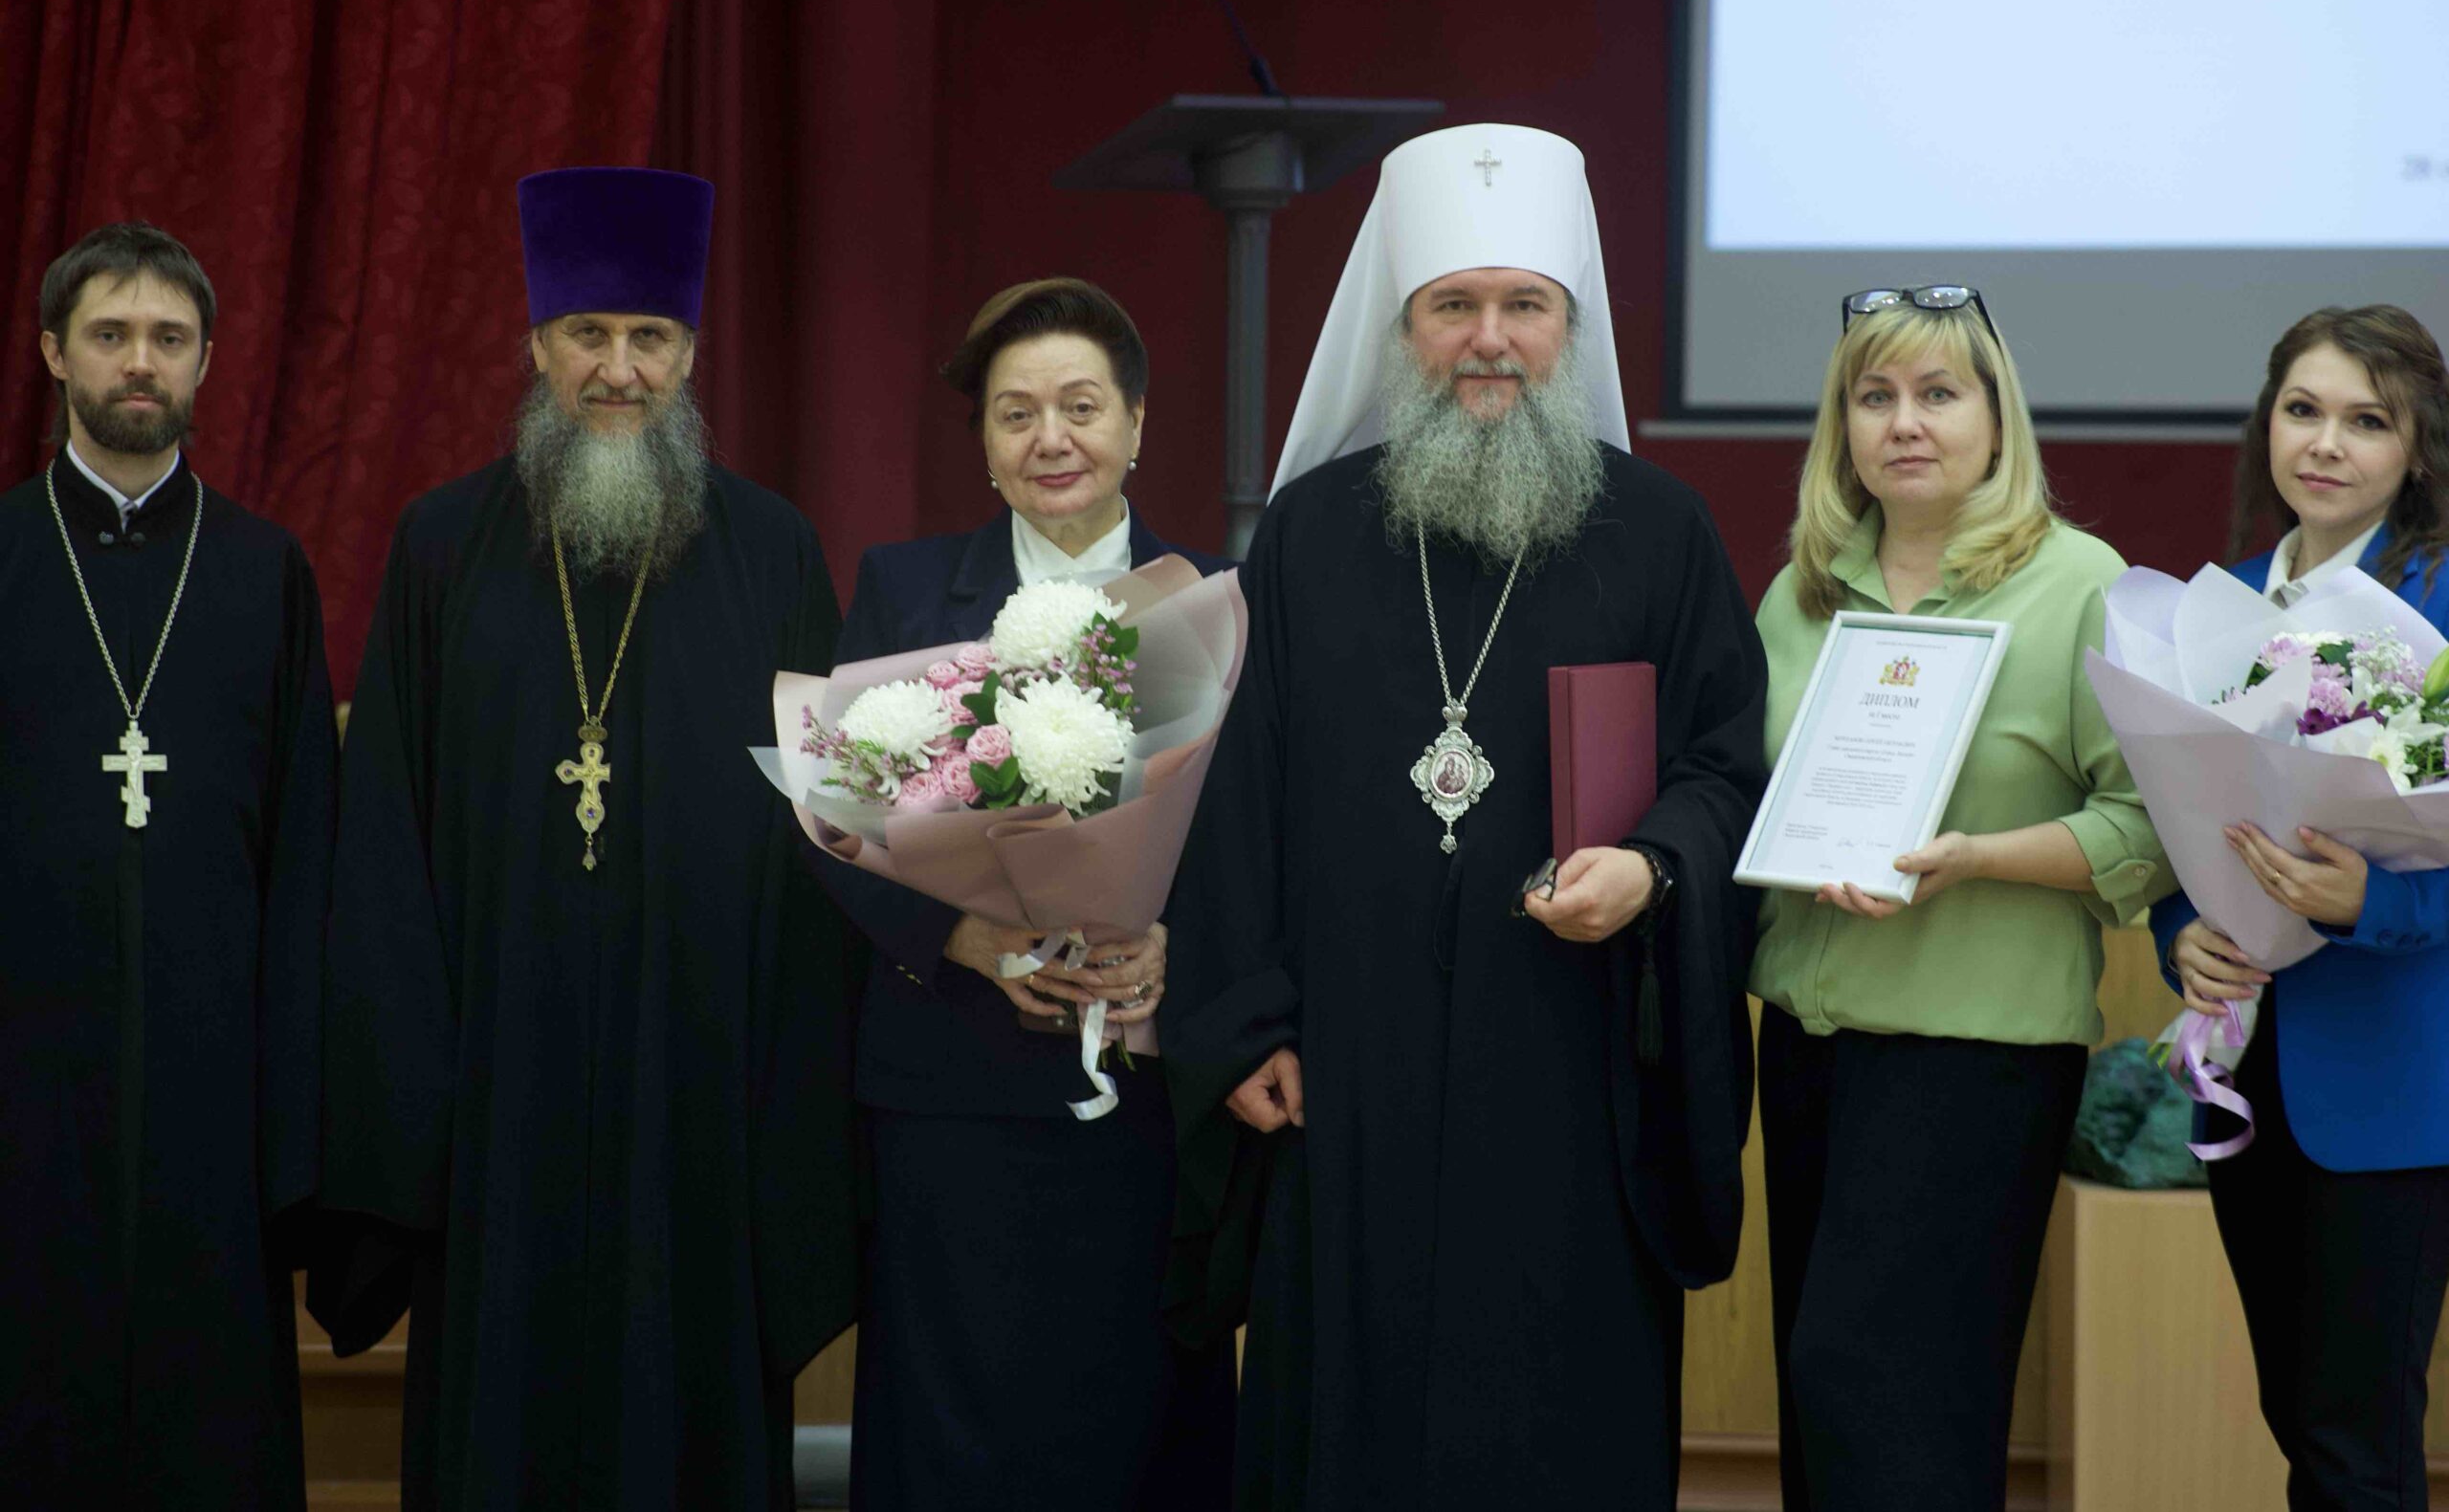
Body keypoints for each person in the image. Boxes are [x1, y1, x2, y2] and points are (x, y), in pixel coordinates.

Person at [1159, 123, 1770, 1509]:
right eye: (1454, 306)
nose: (1489, 339)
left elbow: (1729, 769)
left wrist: (1658, 868)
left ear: (1570, 325)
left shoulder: (1663, 534)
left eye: (1523, 306)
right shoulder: (1310, 535)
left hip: (1569, 1075)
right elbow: (1235, 797)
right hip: (1350, 1078)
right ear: (1405, 326)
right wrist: (1245, 1017)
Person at [315, 167, 860, 1510]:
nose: (619, 369)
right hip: (498, 1094)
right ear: (537, 346)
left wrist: (787, 1116)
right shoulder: (442, 544)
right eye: (588, 336)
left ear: (690, 354)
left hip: (704, 1099)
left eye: (650, 339)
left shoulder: (775, 552)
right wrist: (414, 1107)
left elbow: (828, 848)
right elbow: (383, 839)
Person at [1749, 286, 2173, 1508]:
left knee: (1891, 1404)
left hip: (1975, 1054)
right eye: (1872, 398)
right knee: (1821, 1406)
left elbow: (2147, 833)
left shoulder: (2083, 583)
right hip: (1814, 1045)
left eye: (1939, 394)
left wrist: (1975, 856)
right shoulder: (1803, 592)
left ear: (1997, 418)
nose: (1905, 424)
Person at [822, 277, 1234, 1509]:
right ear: (986, 446)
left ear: (1137, 426)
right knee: (953, 1426)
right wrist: (968, 933)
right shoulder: (904, 591)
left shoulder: (1214, 601)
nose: (1050, 440)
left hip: (1146, 1104)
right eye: (1015, 415)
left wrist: (1173, 947)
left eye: (1079, 406)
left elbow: (1261, 838)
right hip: (954, 1096)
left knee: (1138, 1423)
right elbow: (831, 825)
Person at [0, 222, 334, 1508]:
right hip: (29, 1082)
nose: (140, 361)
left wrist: (300, 1116)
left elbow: (306, 849)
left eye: (168, 338)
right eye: (110, 333)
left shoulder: (265, 570)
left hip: (218, 1082)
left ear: (205, 364)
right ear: (52, 353)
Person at [2153, 305, 2449, 1510]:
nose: (2326, 444)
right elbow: (2182, 807)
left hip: (2391, 1081)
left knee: (2353, 1443)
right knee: (2300, 1416)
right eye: (2303, 410)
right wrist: (2183, 925)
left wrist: (2368, 900)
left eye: (2366, 421)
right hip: (2250, 1064)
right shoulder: (2217, 600)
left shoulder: (2434, 601)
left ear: (2418, 449)